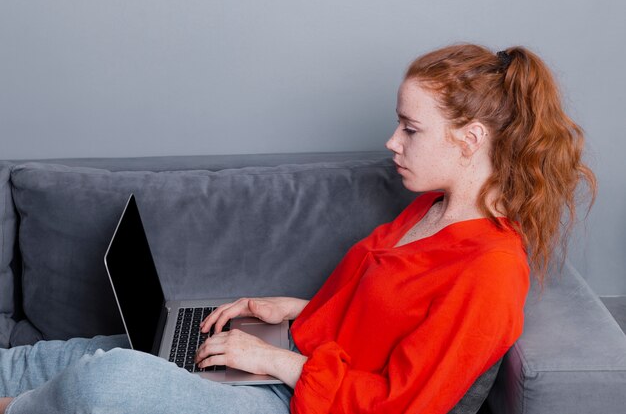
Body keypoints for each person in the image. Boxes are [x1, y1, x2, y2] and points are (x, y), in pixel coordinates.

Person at [0, 43, 596, 414]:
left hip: (299, 400)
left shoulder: (489, 273)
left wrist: (273, 363)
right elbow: (384, 316)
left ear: (469, 142)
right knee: (92, 350)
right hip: (297, 360)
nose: (392, 143)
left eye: (410, 129)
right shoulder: (431, 208)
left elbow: (401, 405)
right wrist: (298, 309)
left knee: (108, 384)